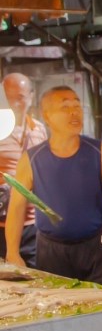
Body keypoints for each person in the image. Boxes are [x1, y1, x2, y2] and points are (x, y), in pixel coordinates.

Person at [5, 87, 102, 285]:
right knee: (59, 308)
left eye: (77, 105)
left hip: (95, 246)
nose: (74, 112)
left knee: (101, 304)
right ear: (47, 116)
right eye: (65, 107)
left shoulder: (101, 150)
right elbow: (16, 208)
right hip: (51, 251)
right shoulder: (31, 159)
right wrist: (12, 252)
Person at [0, 73, 48, 267]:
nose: (14, 103)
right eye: (8, 97)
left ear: (30, 96)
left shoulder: (39, 129)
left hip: (31, 224)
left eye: (20, 97)